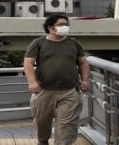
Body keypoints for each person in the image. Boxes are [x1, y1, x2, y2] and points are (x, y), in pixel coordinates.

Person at [24, 14, 90, 145]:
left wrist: (85, 80)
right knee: (42, 121)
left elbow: (83, 63)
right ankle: (43, 140)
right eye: (61, 25)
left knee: (67, 126)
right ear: (51, 28)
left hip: (69, 91)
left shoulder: (74, 43)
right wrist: (32, 82)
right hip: (44, 90)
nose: (65, 27)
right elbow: (28, 63)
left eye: (66, 24)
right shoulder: (38, 43)